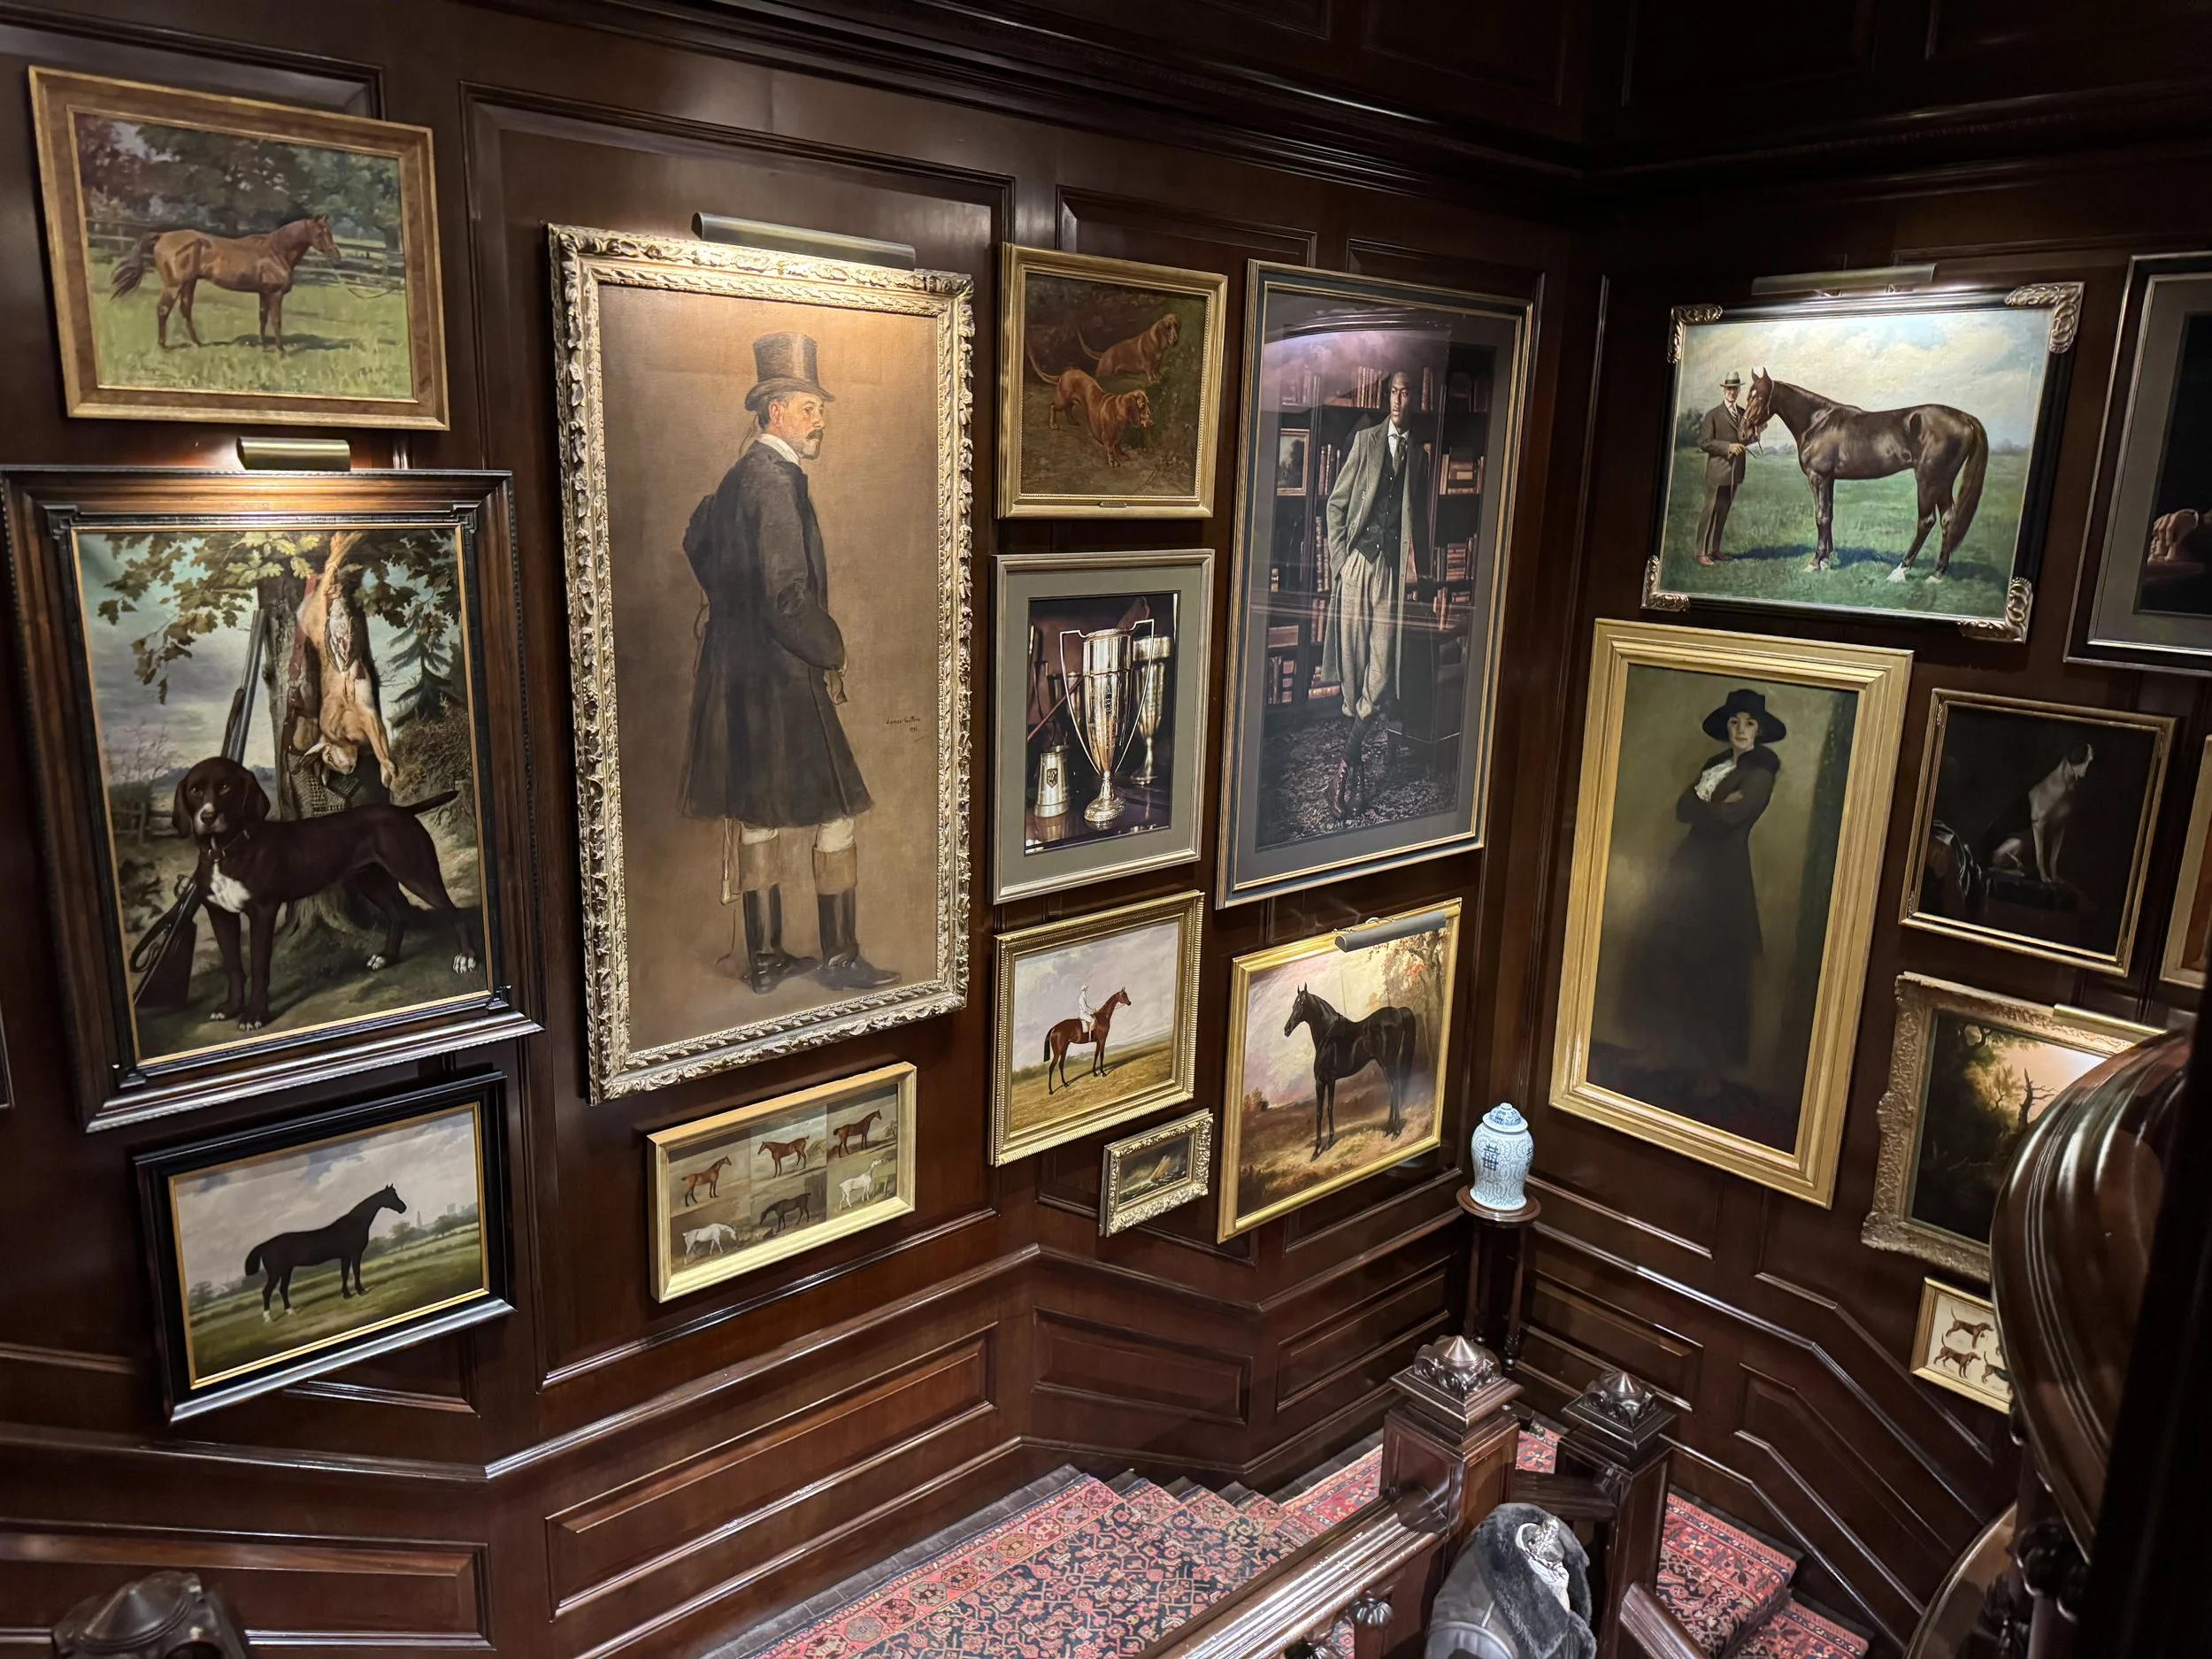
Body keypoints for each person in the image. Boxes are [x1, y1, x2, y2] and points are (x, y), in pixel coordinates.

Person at [680, 330, 896, 996]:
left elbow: (698, 544)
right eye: (809, 408)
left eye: (820, 408)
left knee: (760, 816)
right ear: (776, 412)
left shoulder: (736, 478)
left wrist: (735, 611)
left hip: (736, 679)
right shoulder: (774, 482)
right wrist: (834, 649)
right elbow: (786, 599)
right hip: (780, 679)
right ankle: (840, 958)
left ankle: (767, 960)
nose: (820, 419)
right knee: (837, 815)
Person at [1624, 688, 1784, 1090]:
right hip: (1689, 867)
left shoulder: (1761, 772)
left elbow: (1733, 816)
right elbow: (1684, 808)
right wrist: (1712, 807)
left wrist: (1710, 808)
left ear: (1760, 730)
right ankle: (1663, 1050)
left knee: (1716, 971)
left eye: (1749, 723)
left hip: (1724, 878)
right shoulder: (1716, 764)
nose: (1741, 730)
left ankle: (1711, 1070)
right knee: (1668, 954)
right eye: (1734, 722)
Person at [1322, 368, 1433, 818]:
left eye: (1406, 394)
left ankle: (1344, 767)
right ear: (1388, 397)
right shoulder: (1365, 442)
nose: (1399, 400)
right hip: (1357, 566)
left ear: (1415, 400)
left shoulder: (1419, 456)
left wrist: (1419, 575)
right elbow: (1336, 505)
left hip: (1389, 572)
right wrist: (1340, 564)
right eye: (1393, 392)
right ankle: (1356, 774)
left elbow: (1415, 520)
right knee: (1352, 668)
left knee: (1381, 672)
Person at [1694, 371, 1749, 565]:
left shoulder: (1744, 414)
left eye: (1735, 389)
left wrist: (1755, 435)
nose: (1732, 392)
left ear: (1739, 390)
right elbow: (1704, 443)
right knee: (1709, 511)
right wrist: (1728, 447)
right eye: (1729, 389)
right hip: (1717, 472)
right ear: (1724, 390)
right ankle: (1700, 553)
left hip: (1735, 473)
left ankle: (1714, 550)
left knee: (1723, 512)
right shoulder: (1713, 415)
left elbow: (1744, 439)